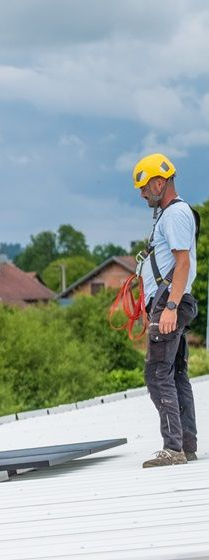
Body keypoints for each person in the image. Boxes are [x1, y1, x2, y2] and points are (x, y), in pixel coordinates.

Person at [133, 153, 199, 468]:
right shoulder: (171, 215)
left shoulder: (174, 214)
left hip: (170, 303)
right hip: (169, 301)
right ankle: (186, 444)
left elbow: (182, 263)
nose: (143, 195)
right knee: (175, 374)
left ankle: (173, 448)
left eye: (145, 187)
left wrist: (170, 307)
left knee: (157, 373)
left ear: (159, 183)